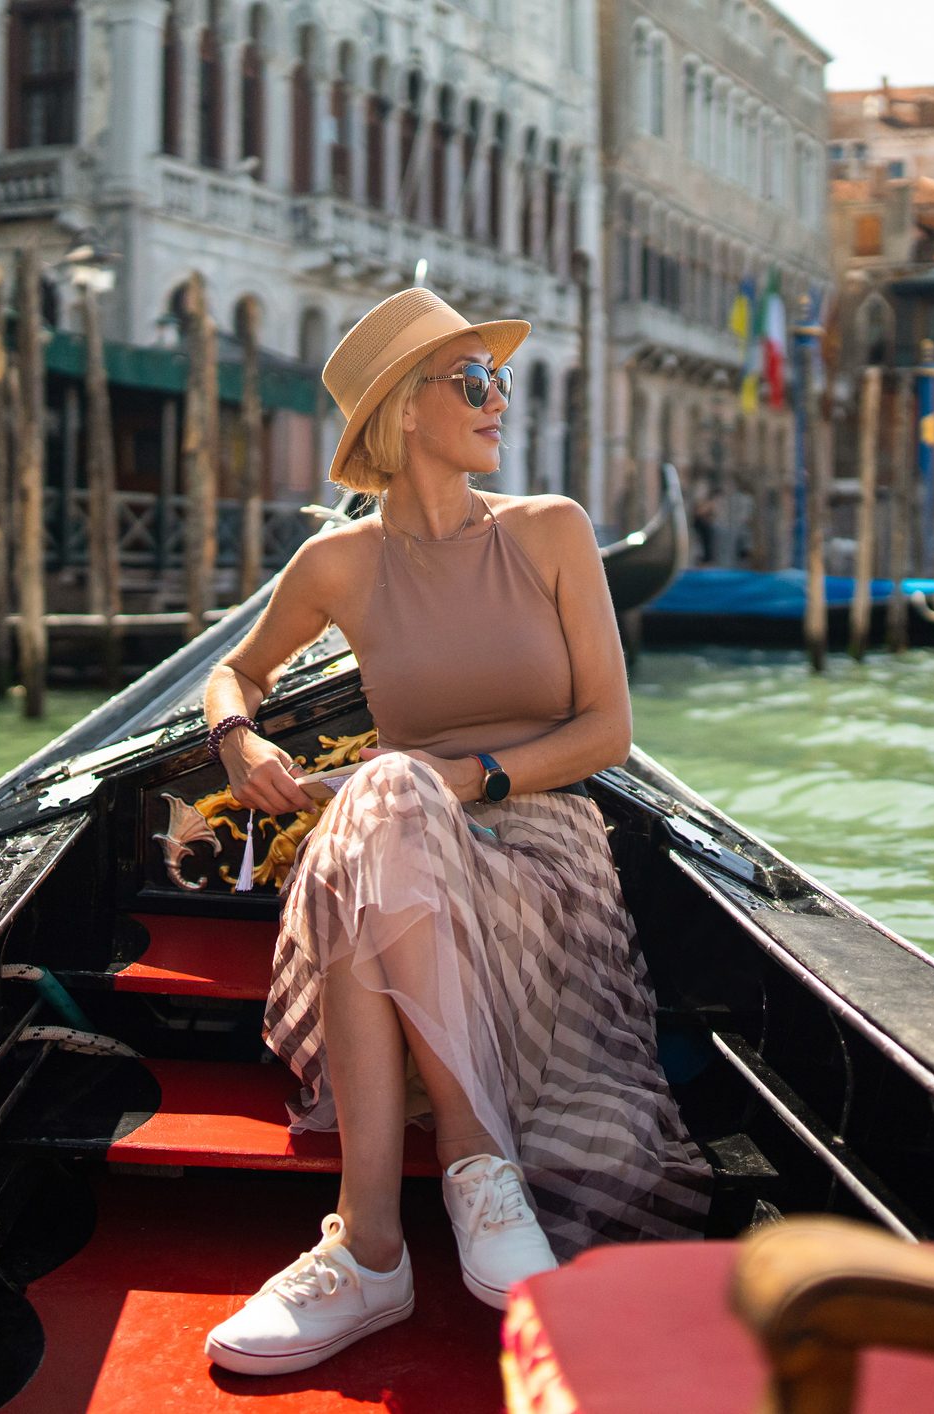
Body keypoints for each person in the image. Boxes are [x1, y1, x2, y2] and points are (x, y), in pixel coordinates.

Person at [198, 289, 710, 1375]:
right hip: (404, 845)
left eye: (498, 381)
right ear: (403, 410)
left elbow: (608, 733)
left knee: (389, 792)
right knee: (385, 799)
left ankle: (398, 1226)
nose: (498, 402)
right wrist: (239, 742)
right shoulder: (337, 566)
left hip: (542, 848)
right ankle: (419, 1217)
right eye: (472, 382)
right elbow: (233, 669)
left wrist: (465, 776)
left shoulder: (552, 530)